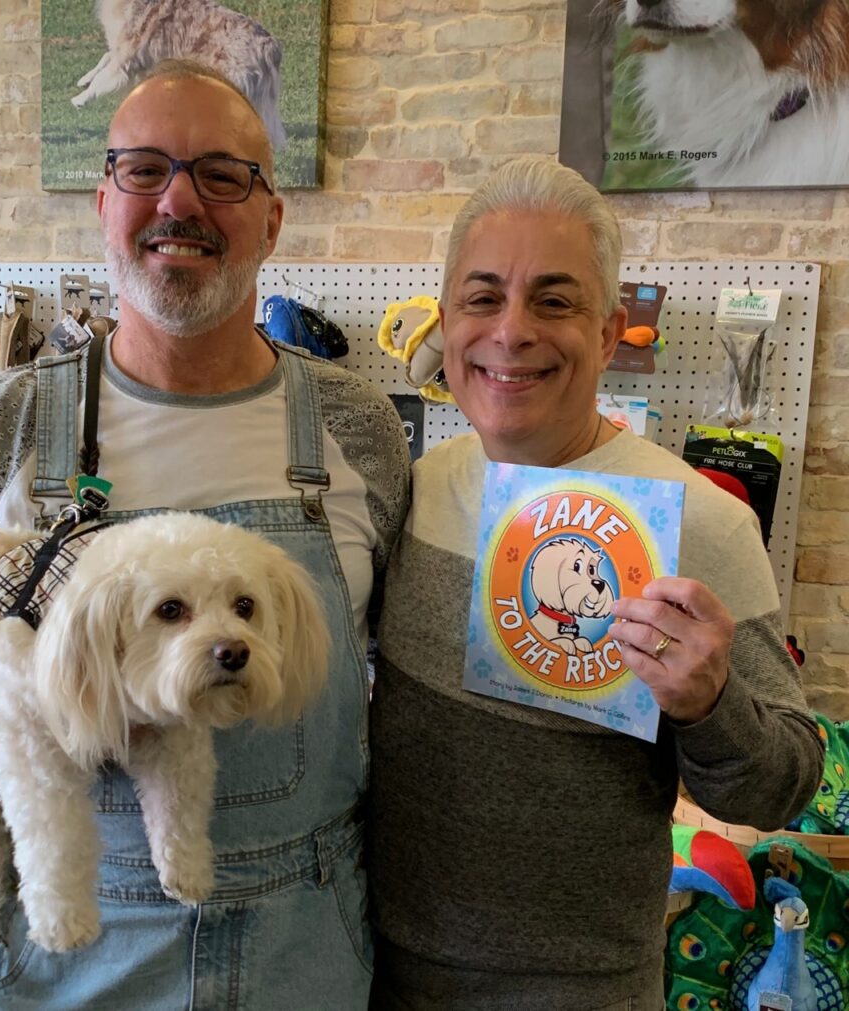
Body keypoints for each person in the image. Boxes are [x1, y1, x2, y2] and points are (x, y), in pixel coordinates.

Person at [0, 59, 409, 1009]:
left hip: (304, 945)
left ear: (272, 218)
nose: (180, 200)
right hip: (68, 952)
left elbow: (408, 687)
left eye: (223, 174)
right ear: (103, 202)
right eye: (144, 169)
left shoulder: (357, 428)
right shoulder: (3, 426)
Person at [366, 156, 824, 1011]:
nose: (511, 331)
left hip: (584, 992)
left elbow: (784, 784)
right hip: (381, 968)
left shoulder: (701, 523)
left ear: (610, 331)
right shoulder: (416, 488)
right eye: (482, 297)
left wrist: (708, 702)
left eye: (554, 299)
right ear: (445, 319)